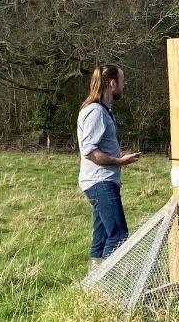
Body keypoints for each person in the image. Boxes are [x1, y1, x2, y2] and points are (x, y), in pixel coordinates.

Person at [77, 64, 141, 271]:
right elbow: (89, 151)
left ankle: (92, 288)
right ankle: (106, 285)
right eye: (122, 81)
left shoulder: (103, 110)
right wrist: (119, 161)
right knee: (118, 234)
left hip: (102, 181)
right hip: (100, 181)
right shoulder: (95, 111)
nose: (124, 85)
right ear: (112, 83)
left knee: (103, 235)